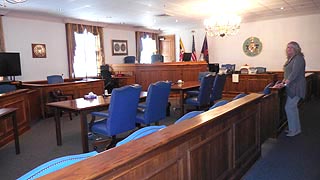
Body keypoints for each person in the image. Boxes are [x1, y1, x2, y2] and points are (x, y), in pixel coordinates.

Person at [282, 41, 306, 137]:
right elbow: (288, 72)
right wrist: (284, 80)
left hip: (296, 87)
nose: (289, 49)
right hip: (291, 86)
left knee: (289, 107)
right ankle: (296, 129)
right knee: (293, 108)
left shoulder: (299, 58)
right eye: (288, 47)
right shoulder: (290, 59)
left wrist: (286, 82)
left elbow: (295, 73)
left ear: (296, 49)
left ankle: (293, 130)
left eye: (291, 47)